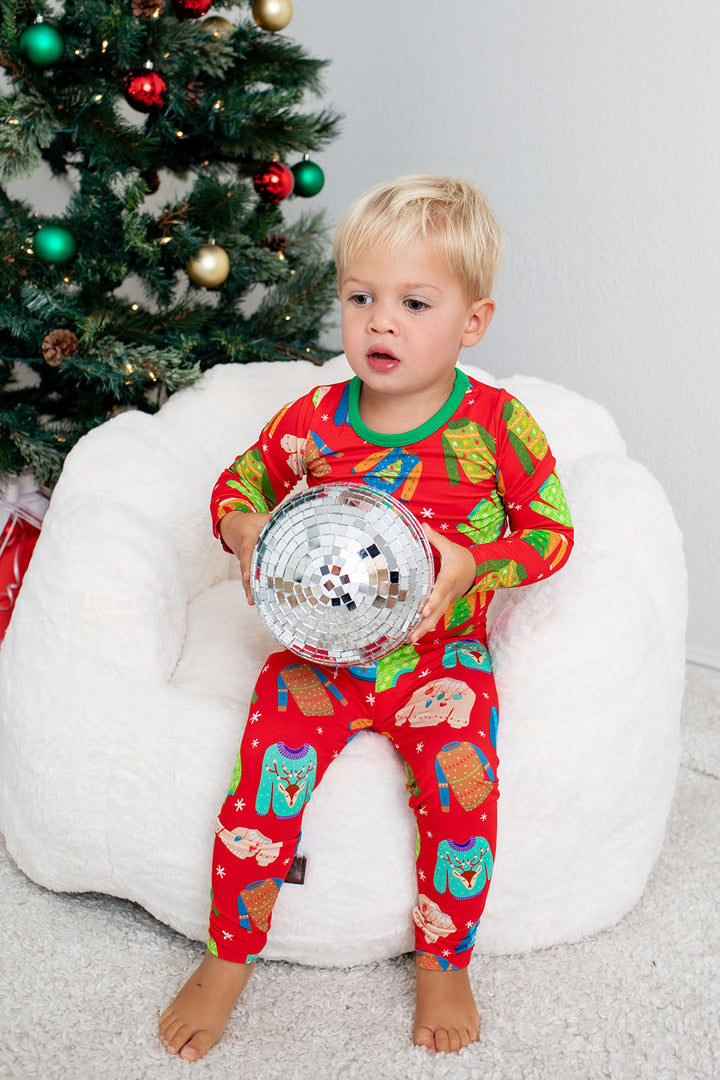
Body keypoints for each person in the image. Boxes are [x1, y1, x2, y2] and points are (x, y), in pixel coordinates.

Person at [159, 175, 574, 1060]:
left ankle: (445, 959)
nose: (380, 322)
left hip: (439, 661)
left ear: (473, 322)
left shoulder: (499, 425)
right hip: (319, 653)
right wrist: (243, 529)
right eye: (360, 298)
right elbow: (237, 484)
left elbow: (552, 535)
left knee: (464, 804)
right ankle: (229, 955)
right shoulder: (313, 417)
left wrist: (471, 566)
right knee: (260, 793)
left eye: (414, 302)